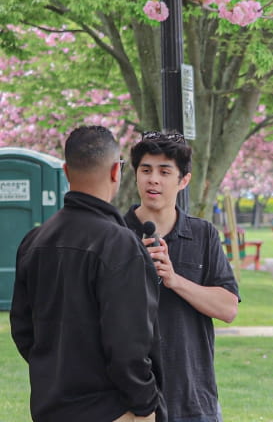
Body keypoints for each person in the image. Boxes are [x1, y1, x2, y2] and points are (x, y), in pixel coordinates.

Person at [10, 126, 165, 422]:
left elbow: (23, 330)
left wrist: (57, 370)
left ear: (66, 171)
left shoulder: (34, 241)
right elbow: (128, 344)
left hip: (51, 406)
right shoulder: (119, 243)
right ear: (115, 171)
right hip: (112, 410)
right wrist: (146, 406)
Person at [124, 131, 239, 422]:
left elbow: (228, 308)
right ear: (135, 175)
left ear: (183, 180)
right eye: (146, 170)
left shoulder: (203, 234)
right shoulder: (114, 235)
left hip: (193, 398)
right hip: (127, 400)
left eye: (165, 172)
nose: (154, 180)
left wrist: (175, 280)